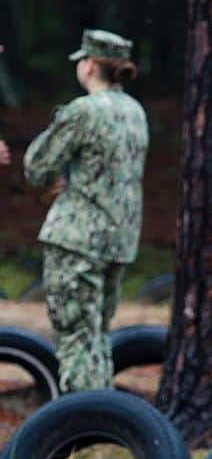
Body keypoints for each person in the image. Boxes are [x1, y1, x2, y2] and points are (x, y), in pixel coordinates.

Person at [24, 29, 148, 392]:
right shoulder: (135, 112)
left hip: (77, 239)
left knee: (76, 341)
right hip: (119, 240)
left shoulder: (84, 111)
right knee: (96, 338)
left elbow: (36, 165)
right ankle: (105, 421)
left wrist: (57, 179)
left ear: (91, 65)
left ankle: (83, 429)